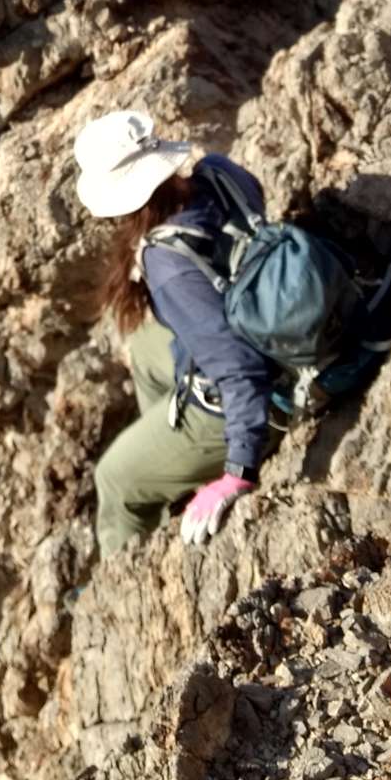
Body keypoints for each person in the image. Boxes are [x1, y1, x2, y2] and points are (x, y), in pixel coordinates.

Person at [73, 108, 279, 555]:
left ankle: (126, 576)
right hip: (272, 328)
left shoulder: (167, 261)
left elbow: (239, 369)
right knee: (145, 349)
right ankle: (173, 467)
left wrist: (238, 470)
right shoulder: (220, 174)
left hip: (248, 400)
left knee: (115, 481)